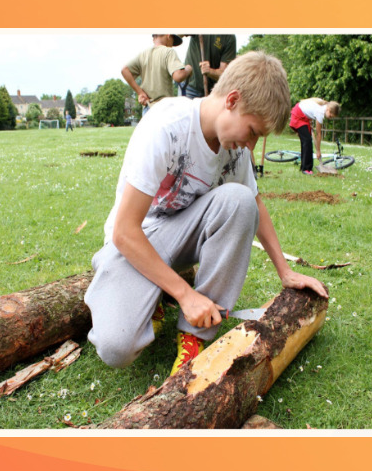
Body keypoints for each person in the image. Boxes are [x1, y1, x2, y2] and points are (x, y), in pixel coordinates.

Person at [85, 52, 328, 374]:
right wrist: (185, 293)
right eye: (253, 131)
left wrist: (285, 271)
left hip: (181, 239)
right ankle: (158, 294)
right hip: (135, 242)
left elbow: (253, 203)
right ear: (232, 99)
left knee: (239, 199)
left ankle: (194, 336)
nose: (251, 145)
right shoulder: (166, 125)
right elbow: (124, 231)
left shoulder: (234, 147)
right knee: (116, 349)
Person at [122, 34, 192, 114]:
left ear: (154, 39)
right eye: (173, 41)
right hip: (164, 109)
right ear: (168, 36)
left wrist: (140, 92)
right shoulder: (169, 52)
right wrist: (188, 69)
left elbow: (124, 70)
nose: (172, 45)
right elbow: (178, 76)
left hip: (147, 109)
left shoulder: (143, 54)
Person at [288, 97, 340, 174]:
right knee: (307, 141)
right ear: (328, 109)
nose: (330, 118)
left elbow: (310, 110)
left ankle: (304, 167)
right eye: (331, 115)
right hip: (298, 115)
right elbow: (318, 134)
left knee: (306, 141)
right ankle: (306, 169)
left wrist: (309, 123)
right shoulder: (321, 112)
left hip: (303, 116)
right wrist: (318, 151)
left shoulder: (323, 104)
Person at [180, 34, 236, 99]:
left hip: (213, 92)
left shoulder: (229, 36)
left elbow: (225, 74)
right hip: (190, 87)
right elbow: (178, 33)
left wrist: (210, 71)